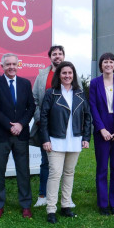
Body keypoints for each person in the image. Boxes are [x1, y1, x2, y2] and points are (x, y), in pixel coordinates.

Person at [39, 62, 91, 224]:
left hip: (75, 140)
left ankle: (66, 205)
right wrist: (45, 139)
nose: (67, 76)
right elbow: (44, 117)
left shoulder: (80, 93)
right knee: (55, 174)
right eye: (64, 73)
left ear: (74, 75)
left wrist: (86, 138)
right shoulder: (51, 93)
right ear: (59, 75)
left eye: (70, 73)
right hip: (55, 140)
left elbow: (88, 116)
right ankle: (51, 209)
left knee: (69, 173)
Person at [0, 53, 35, 220]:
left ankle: (26, 205)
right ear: (2, 66)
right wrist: (9, 125)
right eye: (8, 64)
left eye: (14, 64)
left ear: (18, 65)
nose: (11, 67)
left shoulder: (25, 84)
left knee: (23, 171)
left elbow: (31, 107)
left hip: (20, 135)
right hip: (0, 136)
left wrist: (20, 124)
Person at [89, 52, 114, 216]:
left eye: (111, 62)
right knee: (101, 168)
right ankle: (103, 204)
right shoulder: (94, 83)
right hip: (102, 128)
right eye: (105, 62)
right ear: (101, 65)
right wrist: (101, 129)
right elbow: (93, 107)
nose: (108, 64)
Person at [32, 45, 69, 208]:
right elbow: (34, 99)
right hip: (45, 126)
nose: (57, 56)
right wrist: (40, 119)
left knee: (67, 164)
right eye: (54, 54)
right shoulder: (42, 75)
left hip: (66, 128)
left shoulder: (70, 74)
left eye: (60, 54)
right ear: (50, 57)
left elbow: (79, 99)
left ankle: (66, 197)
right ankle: (43, 194)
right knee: (45, 161)